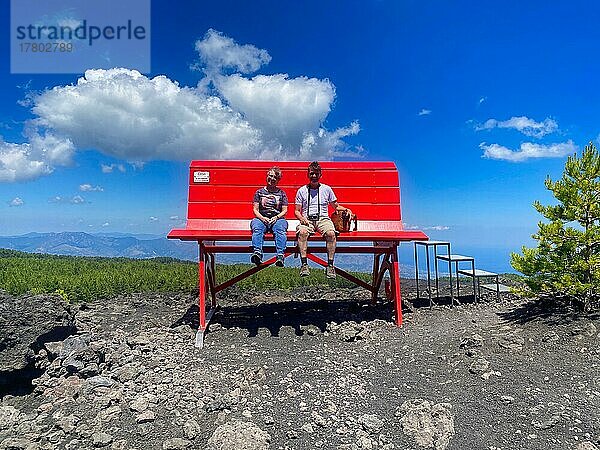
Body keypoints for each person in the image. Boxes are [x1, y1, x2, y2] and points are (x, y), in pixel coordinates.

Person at [295, 161, 353, 279]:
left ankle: (330, 265)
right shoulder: (301, 191)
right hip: (307, 219)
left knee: (331, 234)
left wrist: (347, 209)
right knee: (302, 232)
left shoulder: (327, 189)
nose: (314, 176)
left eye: (316, 174)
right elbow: (297, 210)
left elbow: (336, 206)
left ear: (320, 175)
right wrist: (302, 219)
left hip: (323, 219)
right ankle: (304, 265)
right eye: (312, 174)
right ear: (308, 174)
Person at [250, 167, 288, 267]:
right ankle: (257, 252)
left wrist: (276, 217)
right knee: (257, 228)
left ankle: (280, 255)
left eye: (275, 177)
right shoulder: (259, 192)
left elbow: (284, 210)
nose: (272, 179)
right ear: (267, 176)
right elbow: (255, 210)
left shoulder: (282, 194)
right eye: (270, 176)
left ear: (278, 180)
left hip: (277, 218)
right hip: (261, 218)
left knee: (280, 229)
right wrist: (262, 218)